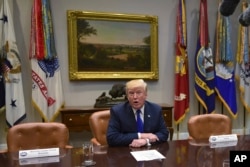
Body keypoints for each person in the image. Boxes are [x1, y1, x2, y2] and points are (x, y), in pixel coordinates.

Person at [107, 79, 169, 147]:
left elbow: (164, 133)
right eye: (131, 93)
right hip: (126, 152)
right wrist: (140, 135)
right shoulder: (118, 111)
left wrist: (146, 141)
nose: (135, 97)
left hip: (150, 151)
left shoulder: (155, 109)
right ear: (127, 96)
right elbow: (111, 138)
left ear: (145, 95)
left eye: (139, 93)